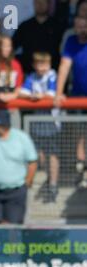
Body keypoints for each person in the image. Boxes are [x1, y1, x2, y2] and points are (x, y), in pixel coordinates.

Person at [0, 109, 38, 224]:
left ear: (5, 124)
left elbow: (32, 161)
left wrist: (27, 181)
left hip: (16, 190)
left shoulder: (22, 138)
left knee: (13, 229)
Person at [19, 52, 60, 203]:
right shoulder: (31, 77)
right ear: (34, 65)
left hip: (52, 123)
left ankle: (53, 185)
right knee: (39, 155)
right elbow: (22, 93)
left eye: (45, 64)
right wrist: (32, 97)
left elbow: (51, 94)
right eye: (39, 64)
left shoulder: (52, 75)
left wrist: (38, 96)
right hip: (37, 124)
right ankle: (44, 178)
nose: (42, 67)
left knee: (52, 154)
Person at [55, 15, 87, 175]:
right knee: (78, 131)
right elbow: (64, 67)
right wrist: (59, 93)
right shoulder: (72, 41)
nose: (81, 30)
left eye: (84, 27)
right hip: (78, 96)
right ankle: (81, 164)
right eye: (78, 27)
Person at [12, 0, 65, 74]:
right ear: (33, 4)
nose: (40, 5)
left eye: (43, 2)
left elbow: (64, 52)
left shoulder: (57, 26)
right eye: (37, 2)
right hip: (28, 72)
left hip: (51, 72)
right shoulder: (25, 26)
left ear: (48, 4)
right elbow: (12, 47)